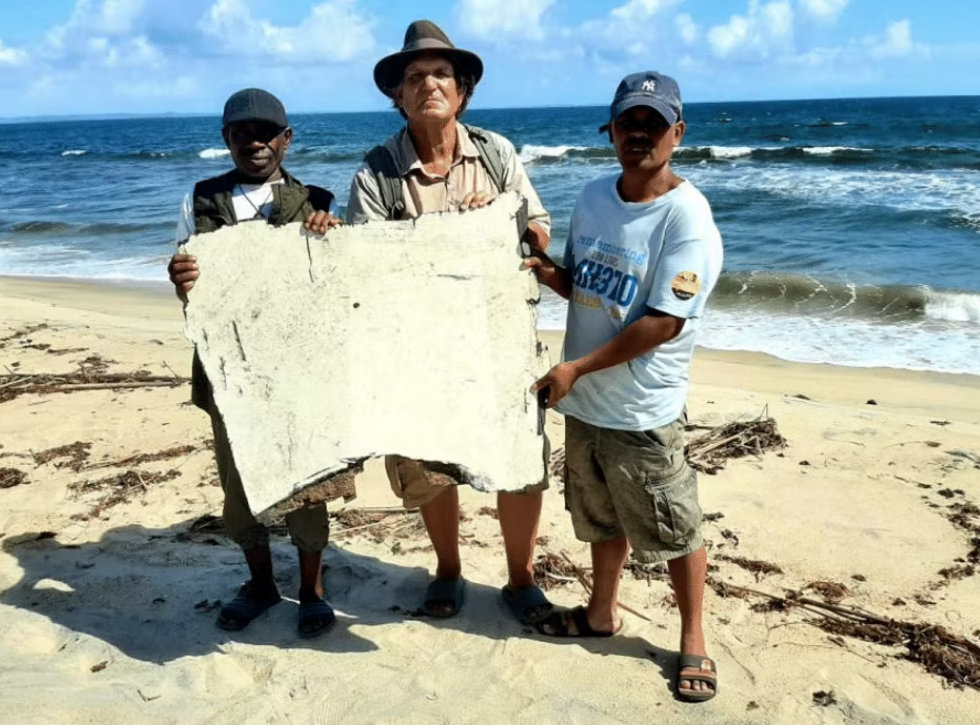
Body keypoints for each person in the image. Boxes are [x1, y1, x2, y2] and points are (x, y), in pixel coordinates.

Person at [308, 20, 553, 624]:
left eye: (442, 73)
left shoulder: (496, 154)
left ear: (462, 90)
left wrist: (501, 218)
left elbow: (539, 231)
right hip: (415, 346)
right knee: (426, 464)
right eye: (415, 77)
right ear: (398, 95)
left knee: (518, 462)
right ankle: (448, 569)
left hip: (497, 339)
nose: (429, 85)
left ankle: (521, 579)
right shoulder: (376, 171)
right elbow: (367, 266)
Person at [525, 71, 723, 702]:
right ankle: (601, 612)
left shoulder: (687, 218)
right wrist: (548, 273)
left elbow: (664, 322)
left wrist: (575, 368)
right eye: (627, 123)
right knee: (600, 517)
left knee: (675, 527)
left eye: (653, 124)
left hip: (642, 409)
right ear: (609, 131)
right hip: (584, 403)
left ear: (677, 133)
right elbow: (589, 282)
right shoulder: (592, 197)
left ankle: (693, 639)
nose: (639, 134)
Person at [167, 88, 342, 637]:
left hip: (298, 366)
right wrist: (180, 279)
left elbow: (336, 289)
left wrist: (333, 241)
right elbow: (188, 282)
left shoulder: (319, 201)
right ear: (226, 140)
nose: (255, 143)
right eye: (241, 134)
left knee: (309, 478)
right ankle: (261, 583)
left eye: (266, 133)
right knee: (238, 481)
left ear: (287, 139)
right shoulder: (200, 200)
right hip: (228, 369)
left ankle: (311, 589)